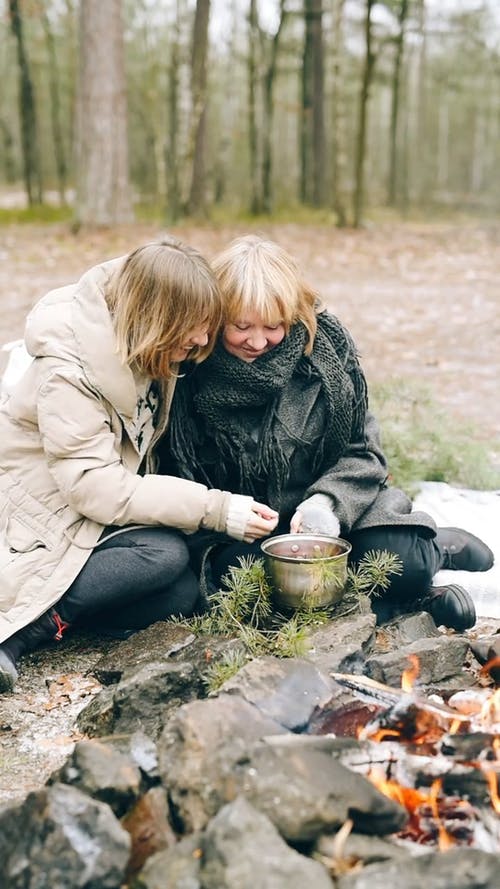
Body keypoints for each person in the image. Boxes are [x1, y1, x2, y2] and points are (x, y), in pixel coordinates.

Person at [160, 234, 494, 628]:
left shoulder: (326, 358)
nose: (258, 341)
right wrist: (226, 514)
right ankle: (409, 605)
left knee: (404, 560)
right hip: (247, 532)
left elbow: (364, 453)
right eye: (241, 326)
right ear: (216, 317)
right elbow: (174, 475)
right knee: (241, 582)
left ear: (293, 315)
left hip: (337, 516)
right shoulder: (188, 370)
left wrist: (325, 505)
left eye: (273, 326)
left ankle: (436, 552)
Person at [0, 238, 278, 693]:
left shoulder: (146, 345)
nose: (202, 340)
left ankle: (66, 614)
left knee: (178, 594)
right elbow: (94, 487)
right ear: (156, 317)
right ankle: (23, 632)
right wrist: (216, 508)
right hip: (41, 520)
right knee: (162, 555)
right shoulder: (69, 373)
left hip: (90, 515)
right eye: (193, 328)